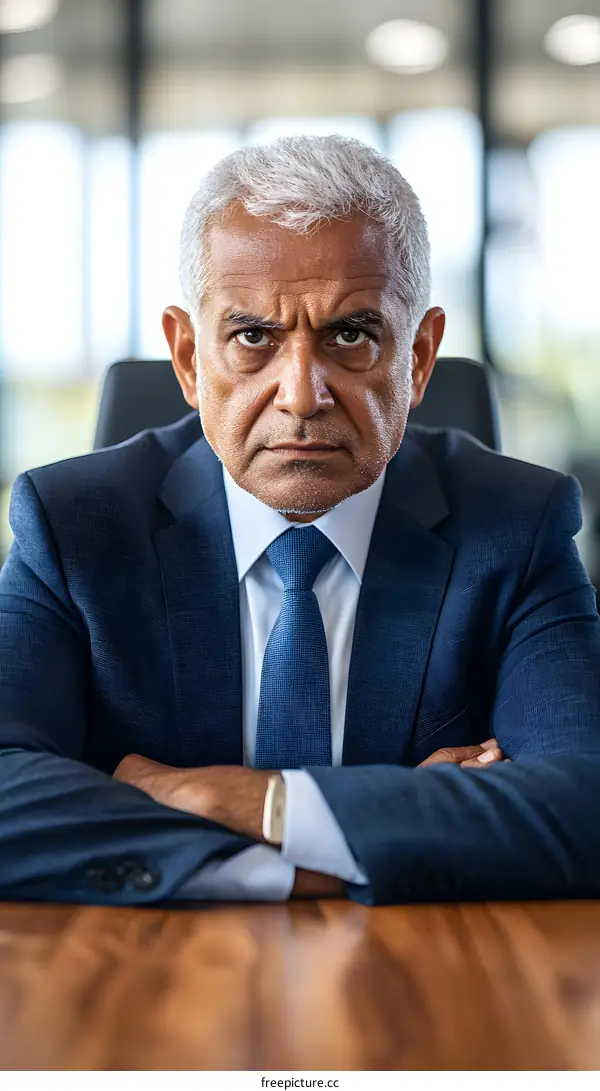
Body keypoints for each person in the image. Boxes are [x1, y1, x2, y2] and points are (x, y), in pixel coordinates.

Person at [1, 134, 599, 908]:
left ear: (418, 358)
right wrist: (316, 863)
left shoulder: (514, 526)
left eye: (350, 335)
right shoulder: (74, 525)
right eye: (253, 336)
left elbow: (583, 804)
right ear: (188, 359)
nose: (301, 394)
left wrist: (252, 800)